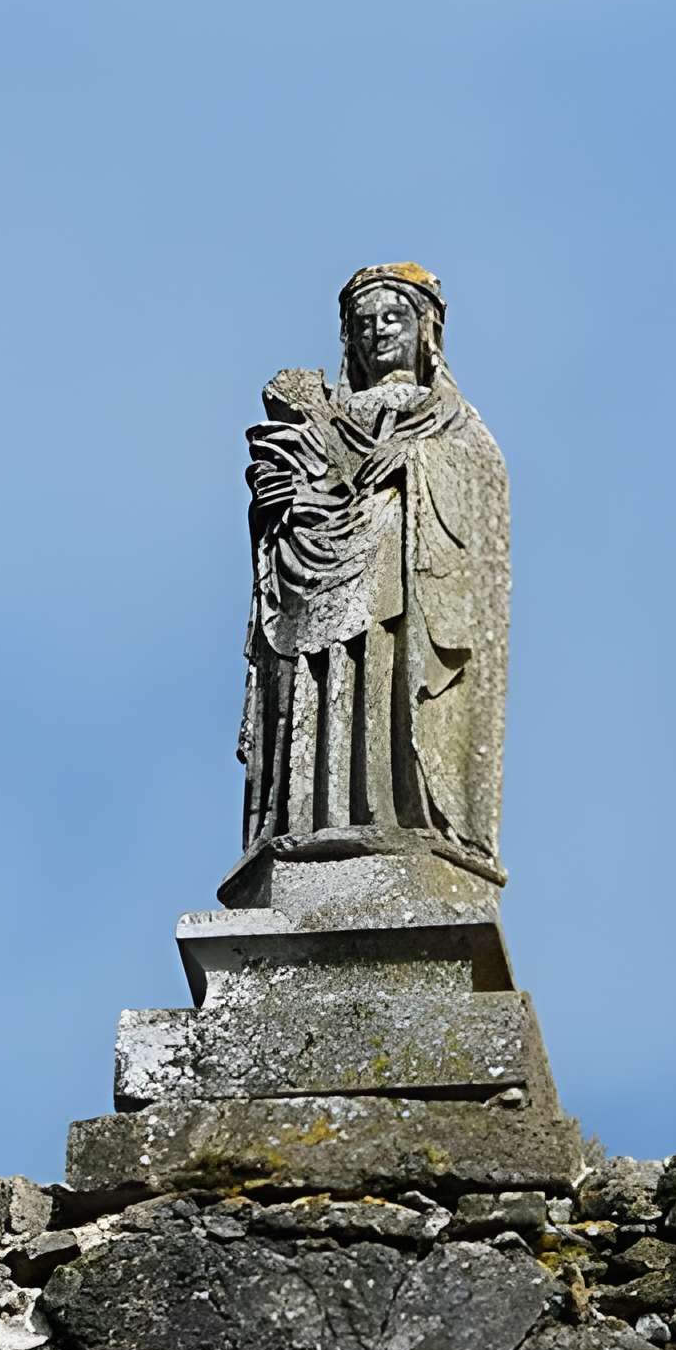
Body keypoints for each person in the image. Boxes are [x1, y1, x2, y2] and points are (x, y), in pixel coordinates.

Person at [238, 263, 510, 884]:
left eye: (393, 318)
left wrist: (409, 464)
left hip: (402, 582)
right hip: (321, 584)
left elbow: (481, 490)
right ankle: (309, 819)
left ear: (425, 330)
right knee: (321, 682)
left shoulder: (448, 421)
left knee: (389, 684)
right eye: (364, 323)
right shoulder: (329, 416)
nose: (379, 332)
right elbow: (287, 492)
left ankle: (396, 810)